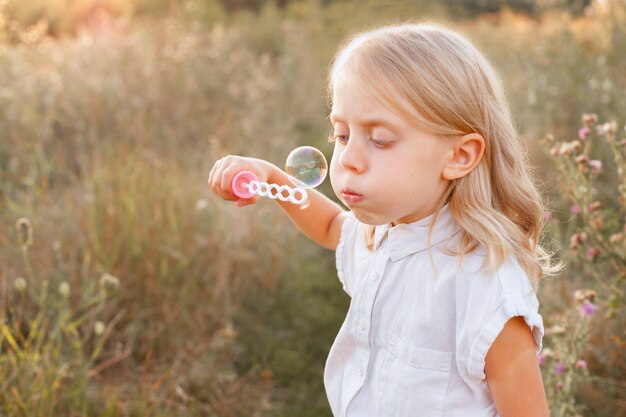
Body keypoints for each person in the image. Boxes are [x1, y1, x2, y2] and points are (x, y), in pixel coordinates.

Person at [208, 22, 557, 417]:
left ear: (458, 156)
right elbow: (331, 227)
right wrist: (271, 177)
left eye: (380, 140)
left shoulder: (485, 285)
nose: (350, 159)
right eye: (341, 135)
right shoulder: (382, 231)